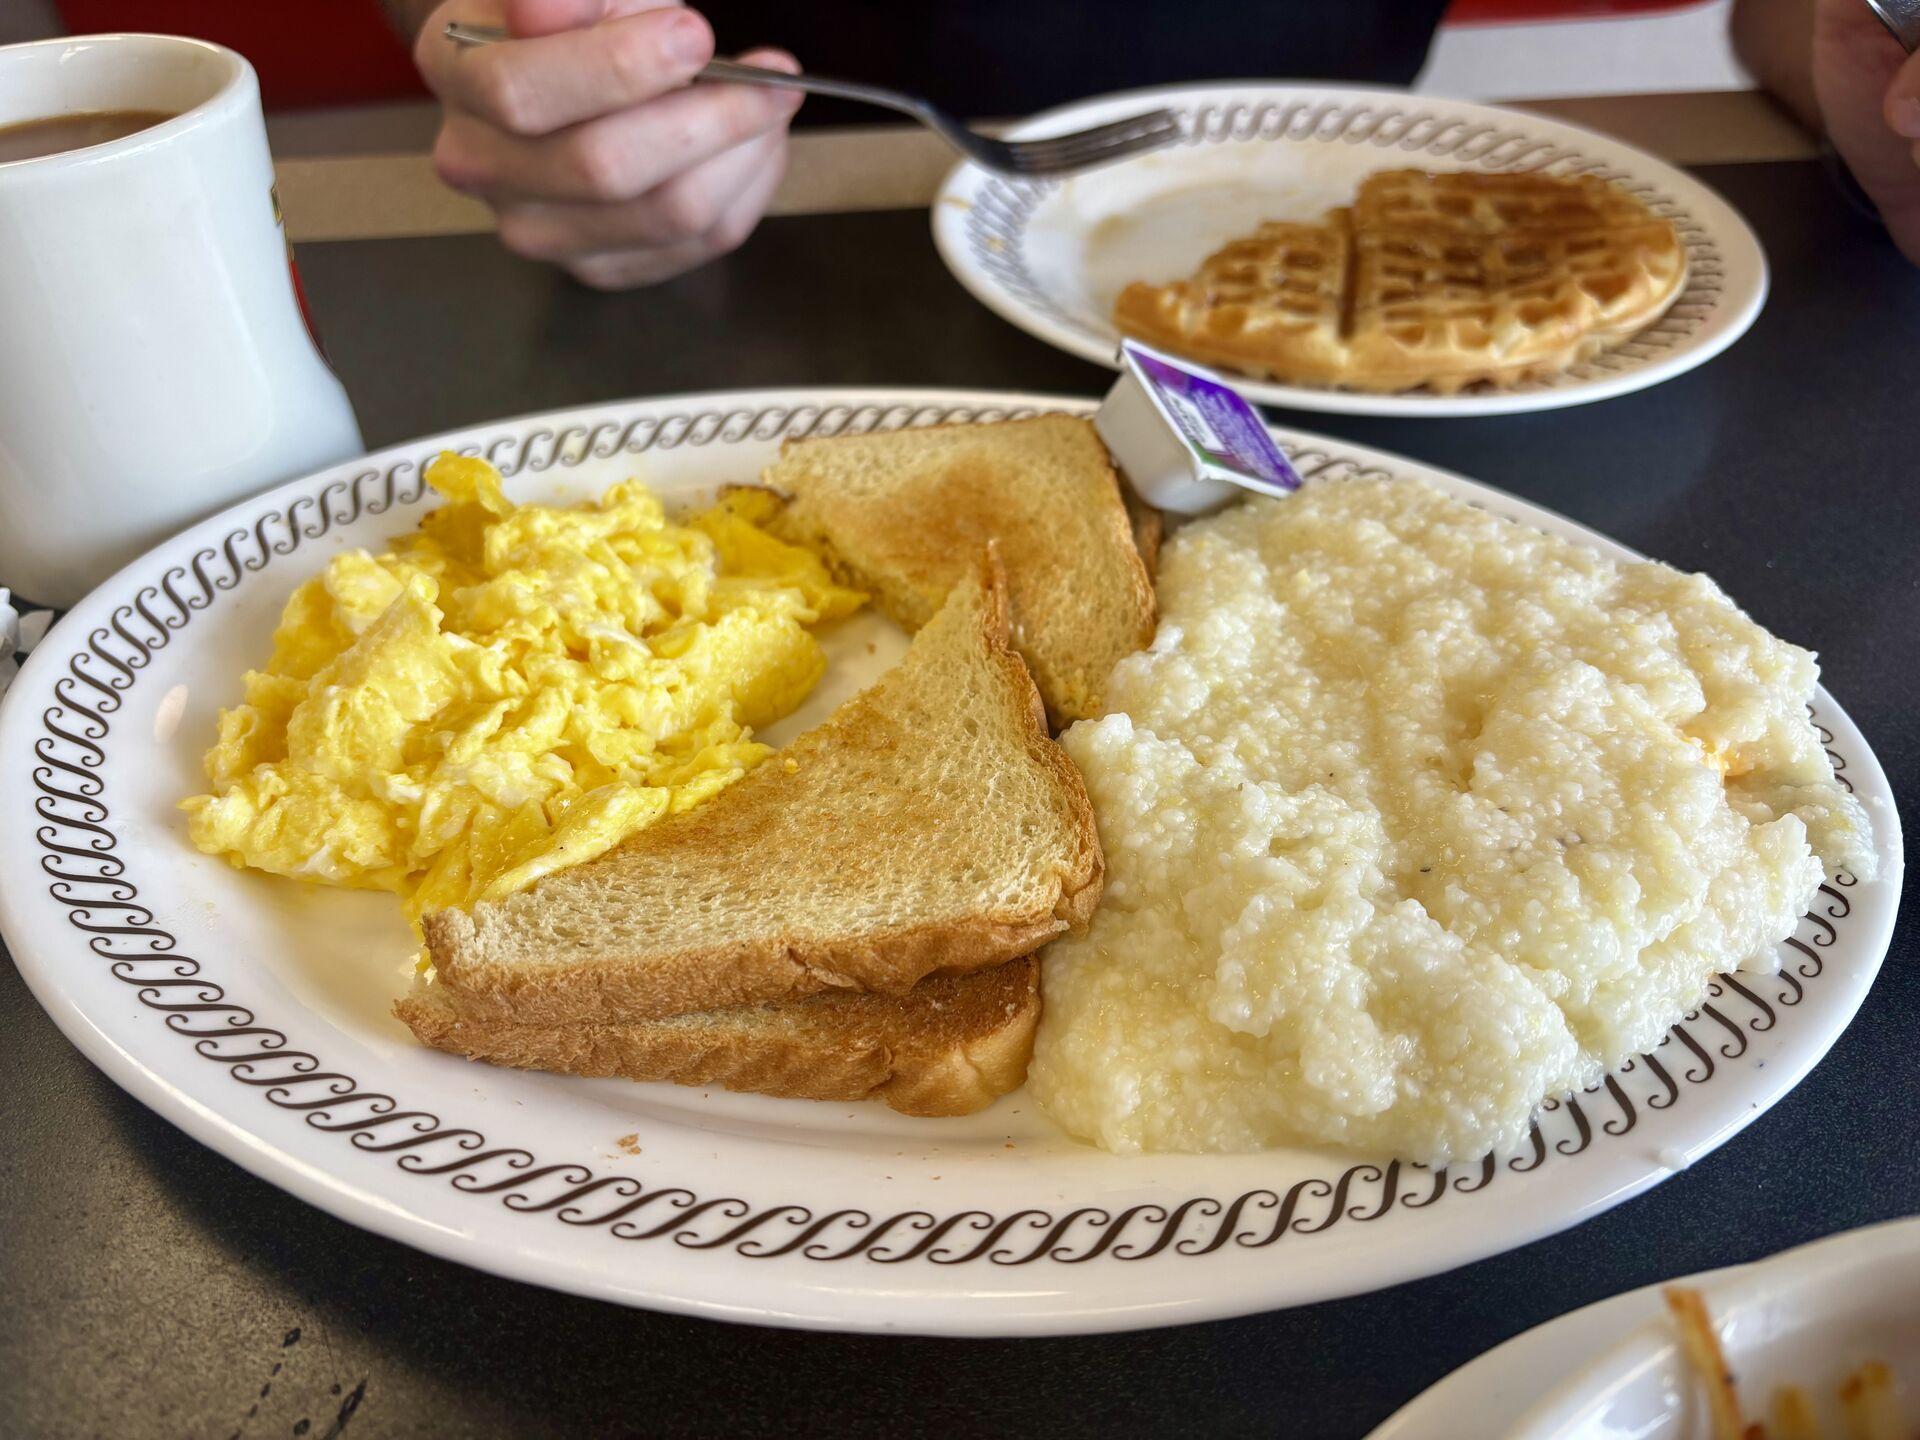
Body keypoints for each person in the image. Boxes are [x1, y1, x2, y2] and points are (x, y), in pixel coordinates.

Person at [386, 0, 1920, 289]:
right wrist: (519, 46)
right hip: (746, 272)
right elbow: (469, 22)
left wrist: (1854, 54)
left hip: (1463, 391)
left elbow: (1774, 9)